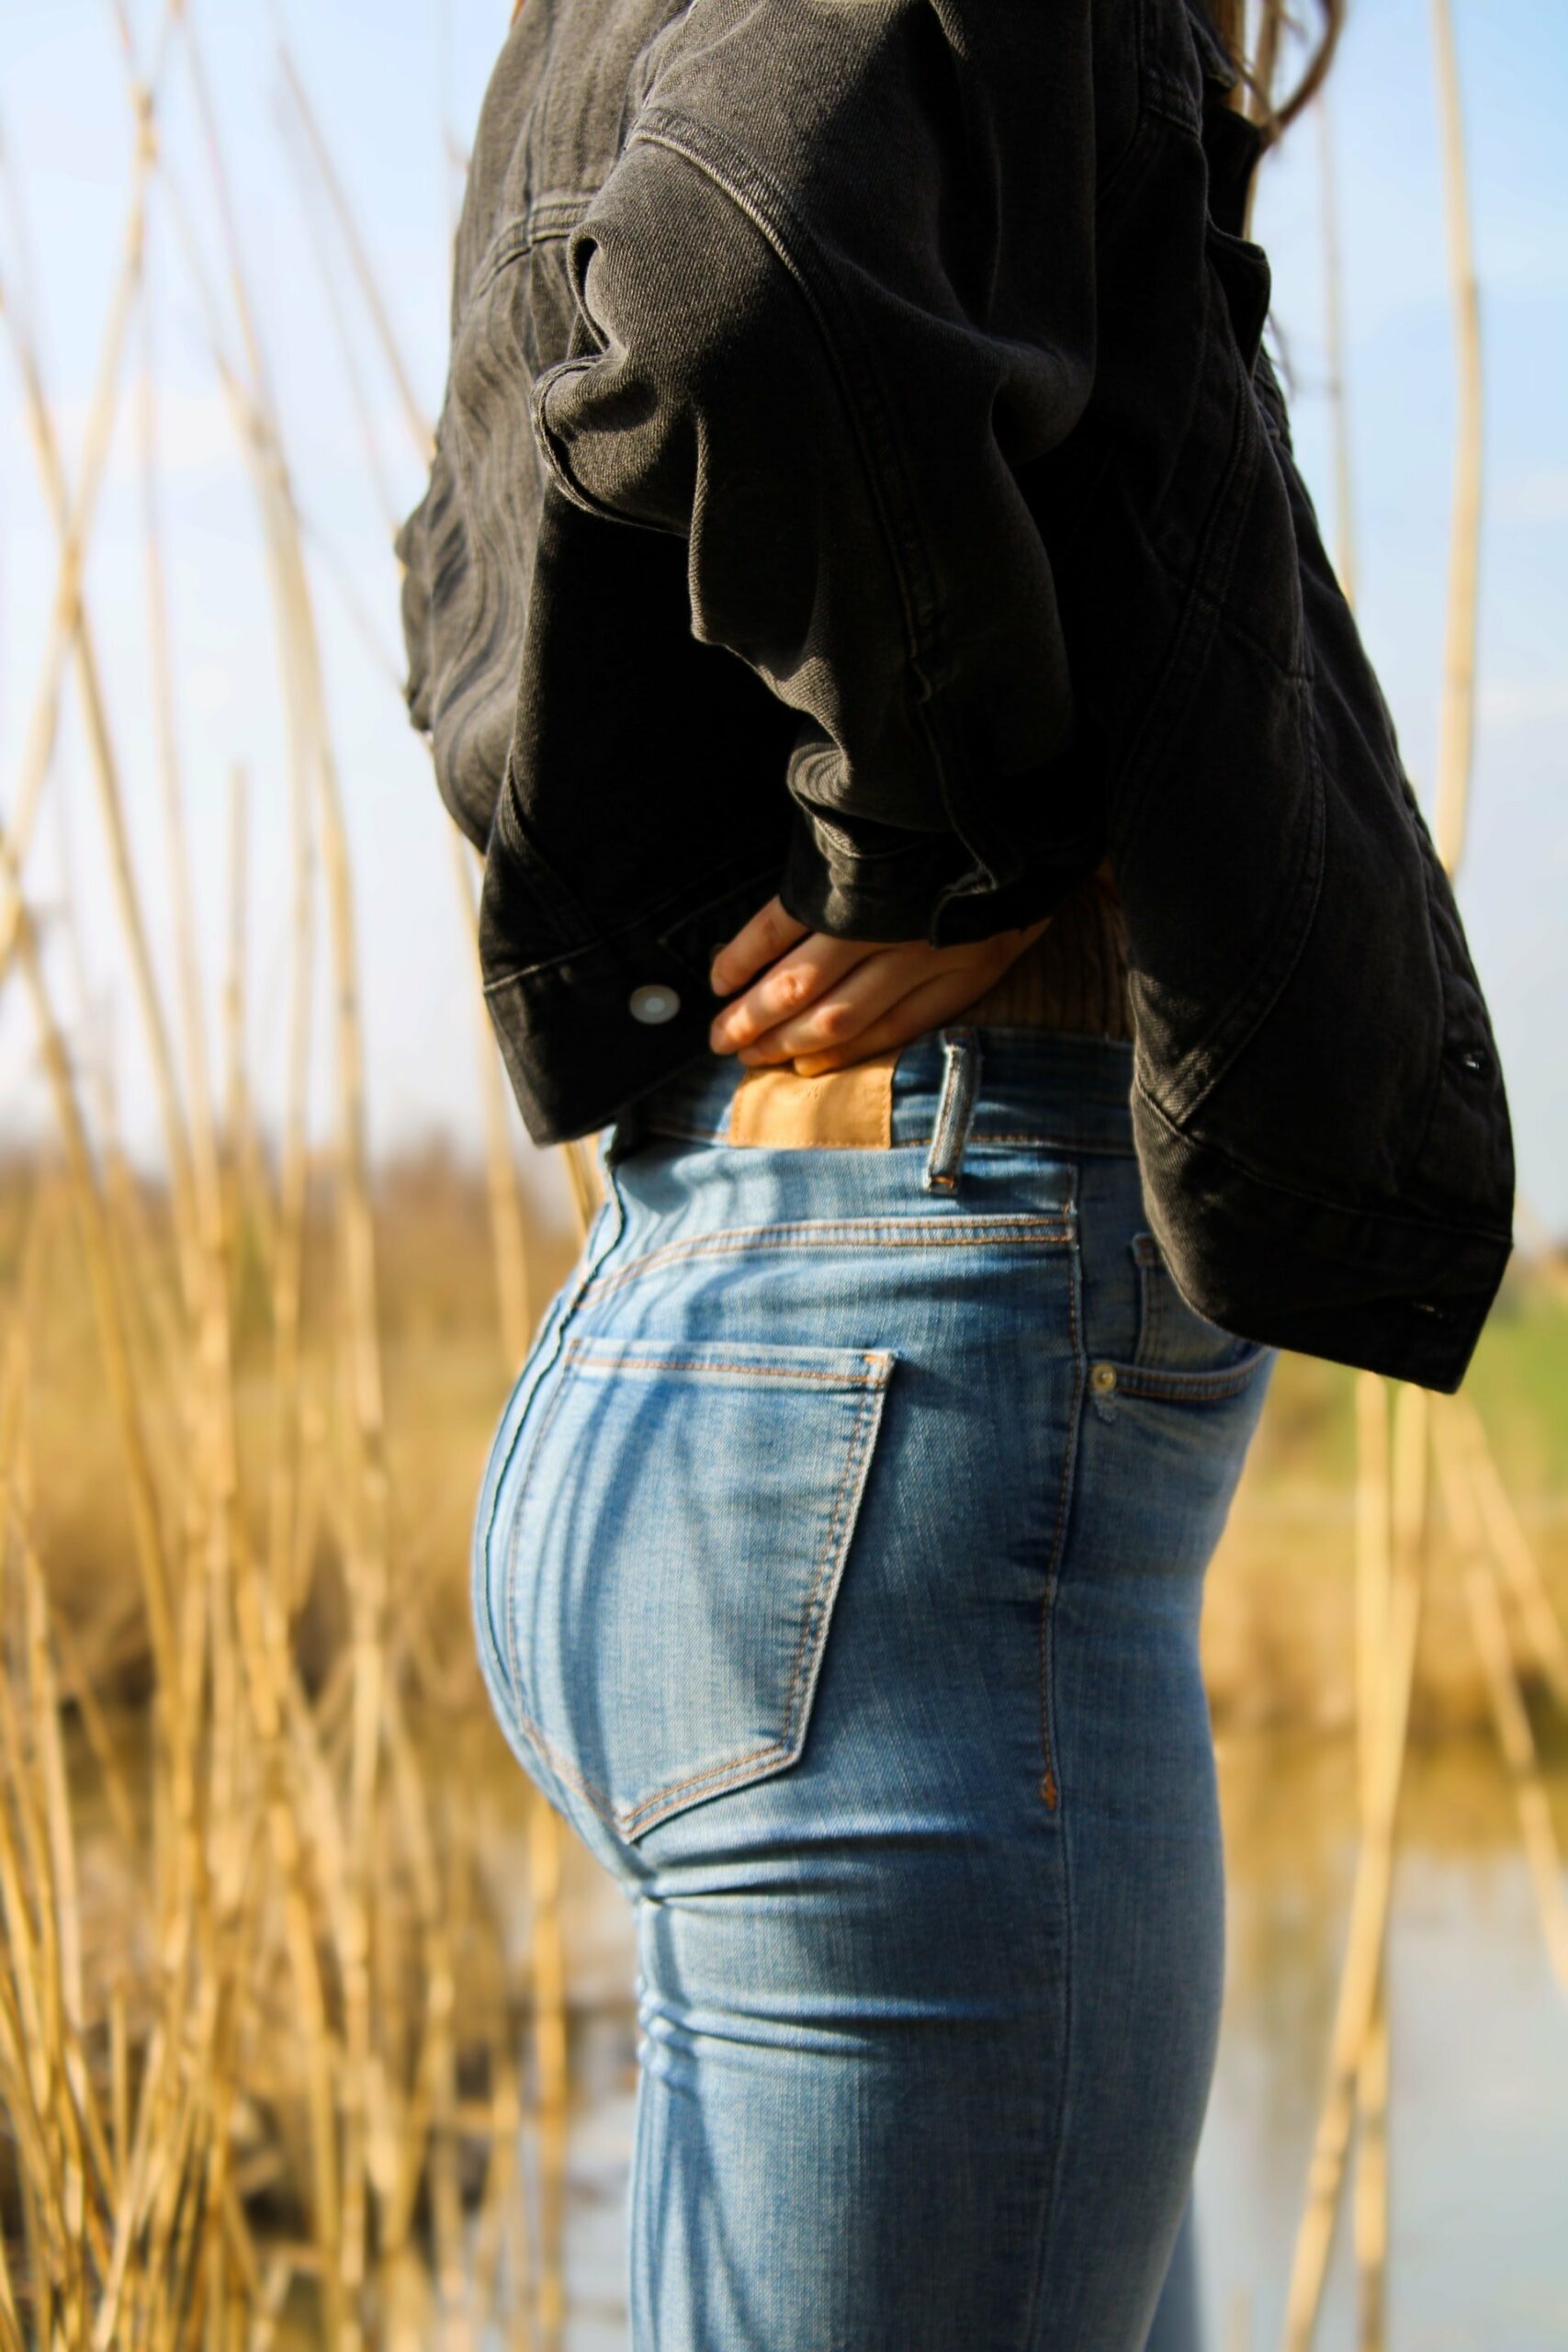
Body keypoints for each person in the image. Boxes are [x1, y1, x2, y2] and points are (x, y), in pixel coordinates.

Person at [398, 1, 1514, 2343]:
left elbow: (481, 532)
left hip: (742, 1341)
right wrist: (935, 824)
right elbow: (747, 255)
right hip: (905, 1406)